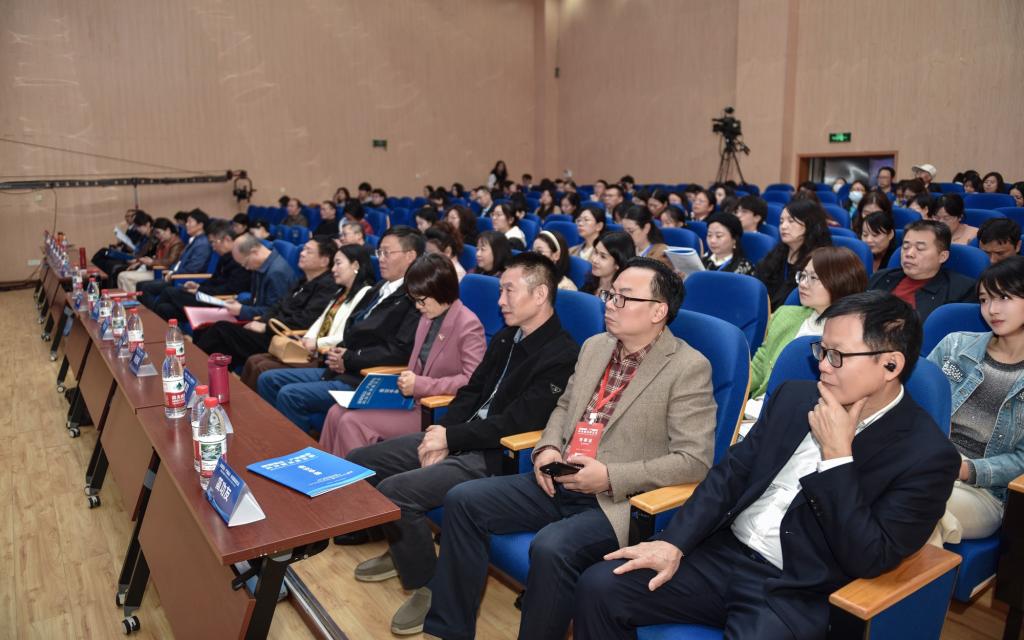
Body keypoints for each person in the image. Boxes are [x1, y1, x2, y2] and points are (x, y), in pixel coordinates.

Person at [574, 290, 961, 640]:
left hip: (795, 588)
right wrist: (673, 542)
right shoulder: (795, 397)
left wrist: (838, 458)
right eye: (822, 350)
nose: (823, 367)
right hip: (723, 553)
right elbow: (731, 474)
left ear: (891, 365)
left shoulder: (927, 456)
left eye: (837, 356)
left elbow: (870, 556)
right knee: (600, 587)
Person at [424, 257, 718, 640]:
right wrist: (547, 448)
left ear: (658, 311)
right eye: (610, 295)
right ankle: (448, 630)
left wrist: (609, 477)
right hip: (560, 477)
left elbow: (694, 461)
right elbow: (564, 407)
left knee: (551, 547)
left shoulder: (688, 367)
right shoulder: (595, 346)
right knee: (463, 500)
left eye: (623, 298)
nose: (609, 305)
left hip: (618, 502)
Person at [342, 253, 580, 636]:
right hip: (461, 436)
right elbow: (470, 392)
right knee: (361, 461)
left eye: (508, 291)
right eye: (500, 291)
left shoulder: (562, 355)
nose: (500, 301)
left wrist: (450, 438)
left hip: (493, 456)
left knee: (396, 492)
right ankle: (405, 550)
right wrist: (441, 433)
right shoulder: (508, 336)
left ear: (539, 295)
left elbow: (518, 423)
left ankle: (428, 584)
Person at [256, 227, 424, 434]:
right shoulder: (380, 288)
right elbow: (353, 328)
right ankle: (274, 439)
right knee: (268, 379)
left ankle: (297, 447)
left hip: (365, 378)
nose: (380, 259)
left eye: (387, 253)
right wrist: (339, 352)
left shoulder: (415, 297)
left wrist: (349, 358)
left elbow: (399, 351)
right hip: (342, 369)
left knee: (290, 395)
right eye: (379, 252)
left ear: (410, 256)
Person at [320, 254, 486, 456]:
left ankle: (351, 476)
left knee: (352, 422)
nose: (417, 306)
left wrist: (421, 385)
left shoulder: (468, 325)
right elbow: (414, 367)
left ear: (442, 291)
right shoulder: (427, 317)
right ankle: (324, 471)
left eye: (421, 300)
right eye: (414, 300)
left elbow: (473, 382)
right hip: (409, 401)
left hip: (434, 410)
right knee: (335, 412)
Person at [928, 257, 1024, 543]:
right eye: (984, 299)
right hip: (926, 462)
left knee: (916, 501)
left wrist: (966, 469)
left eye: (1004, 297)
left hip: (984, 491)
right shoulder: (955, 345)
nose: (991, 309)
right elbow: (913, 404)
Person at [746, 246, 868, 417]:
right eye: (802, 276)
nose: (802, 284)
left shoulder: (854, 335)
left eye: (813, 278)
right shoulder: (785, 315)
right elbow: (759, 367)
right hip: (758, 409)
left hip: (809, 417)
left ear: (840, 281)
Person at [239, 244, 375, 389]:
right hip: (313, 351)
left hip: (328, 357)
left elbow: (348, 335)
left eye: (338, 263)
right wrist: (308, 339)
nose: (333, 269)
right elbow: (320, 321)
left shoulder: (365, 294)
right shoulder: (341, 292)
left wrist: (317, 343)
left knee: (263, 368)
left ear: (355, 265)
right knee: (254, 360)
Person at [194, 235, 336, 368]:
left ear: (324, 261)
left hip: (286, 337)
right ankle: (209, 377)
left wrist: (265, 326)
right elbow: (278, 305)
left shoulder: (327, 286)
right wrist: (261, 322)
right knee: (218, 340)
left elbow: (304, 320)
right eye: (303, 249)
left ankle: (194, 370)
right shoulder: (303, 280)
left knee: (221, 330)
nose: (302, 253)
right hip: (274, 330)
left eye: (309, 251)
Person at [868, 219, 978, 321]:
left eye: (920, 248)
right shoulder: (880, 277)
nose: (909, 254)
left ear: (942, 256)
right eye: (905, 247)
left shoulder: (961, 291)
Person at [151, 220, 251, 324]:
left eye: (213, 242)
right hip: (209, 296)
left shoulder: (240, 259)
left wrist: (200, 290)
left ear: (227, 239)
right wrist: (198, 286)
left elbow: (231, 289)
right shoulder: (225, 257)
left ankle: (151, 325)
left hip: (220, 301)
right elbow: (214, 279)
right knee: (164, 308)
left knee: (168, 291)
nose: (213, 247)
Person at [755, 199, 832, 310]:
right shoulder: (775, 255)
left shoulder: (819, 262)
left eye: (791, 221)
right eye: (781, 221)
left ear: (810, 223)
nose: (783, 226)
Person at [135, 209, 212, 304]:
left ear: (200, 225)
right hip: (177, 276)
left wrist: (173, 274)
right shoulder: (194, 240)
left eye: (190, 222)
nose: (186, 224)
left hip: (185, 279)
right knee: (140, 285)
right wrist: (171, 272)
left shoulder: (202, 244)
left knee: (146, 288)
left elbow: (193, 268)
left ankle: (152, 312)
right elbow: (180, 262)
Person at [116, 217, 183, 292]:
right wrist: (143, 262)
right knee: (121, 276)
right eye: (156, 233)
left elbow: (170, 261)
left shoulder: (177, 244)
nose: (157, 236)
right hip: (156, 270)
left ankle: (133, 299)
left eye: (158, 233)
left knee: (125, 277)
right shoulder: (162, 242)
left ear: (168, 230)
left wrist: (152, 262)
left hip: (163, 273)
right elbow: (158, 258)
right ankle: (128, 298)